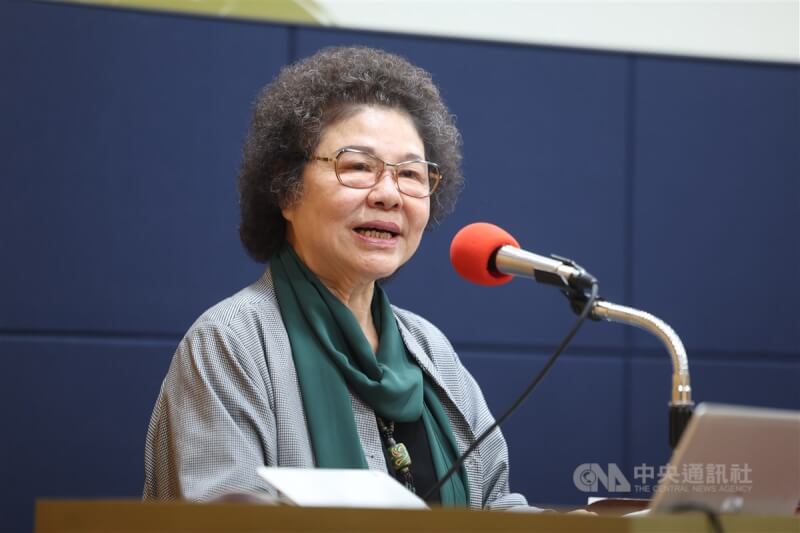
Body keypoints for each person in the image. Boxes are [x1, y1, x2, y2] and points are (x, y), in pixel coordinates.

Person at [143, 46, 530, 509]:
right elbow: (221, 520)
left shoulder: (432, 352)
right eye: (359, 167)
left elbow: (494, 506)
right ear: (287, 190)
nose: (389, 194)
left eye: (410, 174)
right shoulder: (231, 343)